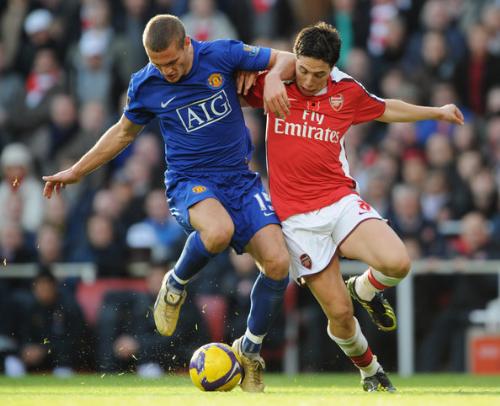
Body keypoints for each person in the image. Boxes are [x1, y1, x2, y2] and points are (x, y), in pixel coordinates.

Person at [42, 14, 295, 392]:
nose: (169, 72)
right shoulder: (146, 83)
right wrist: (78, 170)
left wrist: (273, 75)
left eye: (174, 62)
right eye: (159, 65)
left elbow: (287, 59)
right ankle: (175, 284)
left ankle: (249, 351)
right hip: (190, 182)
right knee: (218, 232)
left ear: (188, 43)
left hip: (240, 181)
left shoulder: (221, 54)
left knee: (277, 263)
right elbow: (122, 133)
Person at [242, 22, 464, 391]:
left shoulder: (346, 90)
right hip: (296, 220)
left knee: (398, 262)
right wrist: (269, 80)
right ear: (294, 61)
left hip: (339, 200)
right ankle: (371, 371)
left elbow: (385, 108)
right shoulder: (274, 83)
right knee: (341, 315)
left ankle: (365, 288)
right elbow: (227, 81)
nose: (311, 80)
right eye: (304, 71)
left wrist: (437, 112)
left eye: (320, 74)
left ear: (332, 69)